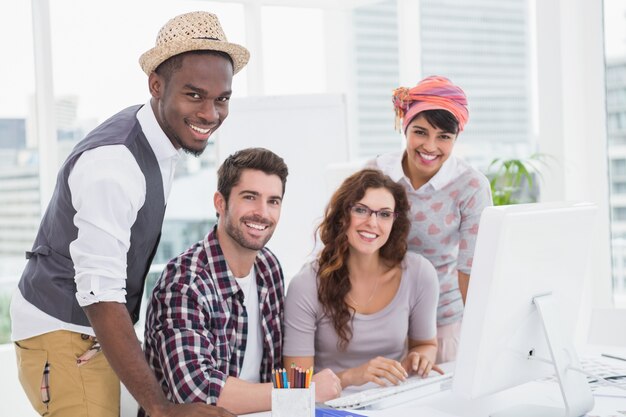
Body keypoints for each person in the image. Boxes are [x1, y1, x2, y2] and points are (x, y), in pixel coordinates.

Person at [10, 11, 249, 417]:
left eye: (221, 98)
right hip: (66, 334)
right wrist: (159, 408)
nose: (211, 114)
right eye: (194, 95)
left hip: (90, 332)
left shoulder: (160, 138)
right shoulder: (114, 164)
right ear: (156, 85)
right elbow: (99, 292)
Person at [143, 148, 342, 415]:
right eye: (250, 197)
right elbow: (197, 391)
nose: (262, 213)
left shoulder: (268, 267)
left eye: (273, 201)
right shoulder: (184, 282)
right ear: (220, 202)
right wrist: (303, 393)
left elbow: (274, 370)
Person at [367, 75, 493, 363]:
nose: (430, 146)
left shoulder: (471, 186)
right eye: (420, 132)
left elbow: (471, 268)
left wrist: (480, 338)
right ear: (405, 127)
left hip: (443, 325)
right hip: (380, 323)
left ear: (456, 139)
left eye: (444, 137)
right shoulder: (377, 172)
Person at [283, 169, 441, 388]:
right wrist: (352, 377)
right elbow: (296, 384)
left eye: (384, 214)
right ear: (341, 216)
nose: (372, 223)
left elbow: (425, 344)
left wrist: (421, 357)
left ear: (395, 221)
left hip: (391, 402)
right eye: (361, 210)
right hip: (329, 408)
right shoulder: (306, 285)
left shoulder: (419, 273)